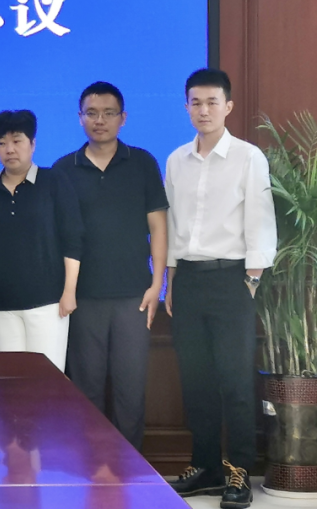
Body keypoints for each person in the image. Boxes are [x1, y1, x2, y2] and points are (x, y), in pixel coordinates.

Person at [165, 68, 276, 509]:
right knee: (196, 381)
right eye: (196, 102)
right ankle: (207, 467)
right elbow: (172, 226)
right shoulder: (176, 160)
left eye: (212, 102)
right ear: (186, 107)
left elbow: (260, 221)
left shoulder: (248, 157)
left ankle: (239, 471)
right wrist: (171, 279)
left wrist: (251, 281)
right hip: (188, 280)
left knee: (234, 381)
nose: (204, 110)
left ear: (228, 106)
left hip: (233, 280)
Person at [52, 82, 168, 449]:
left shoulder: (143, 163)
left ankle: (129, 468)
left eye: (108, 113)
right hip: (84, 297)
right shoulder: (63, 169)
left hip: (134, 294)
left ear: (123, 118)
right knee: (85, 388)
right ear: (80, 118)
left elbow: (158, 227)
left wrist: (157, 284)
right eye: (91, 113)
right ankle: (90, 464)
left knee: (130, 389)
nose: (99, 120)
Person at [0, 110, 83, 371]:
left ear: (32, 143)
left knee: (47, 378)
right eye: (1, 143)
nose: (9, 149)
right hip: (1, 304)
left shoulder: (54, 181)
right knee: (11, 381)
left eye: (17, 141)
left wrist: (69, 292)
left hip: (48, 302)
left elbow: (73, 239)